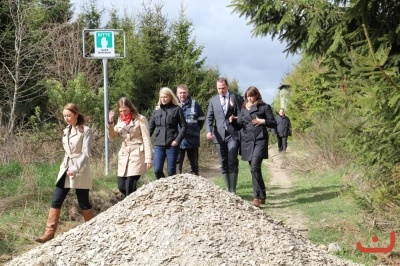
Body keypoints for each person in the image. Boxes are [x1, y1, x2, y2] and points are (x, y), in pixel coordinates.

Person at [35, 103, 94, 243]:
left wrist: (76, 168)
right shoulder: (65, 130)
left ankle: (93, 229)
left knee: (83, 202)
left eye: (69, 115)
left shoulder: (86, 130)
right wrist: (68, 167)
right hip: (66, 168)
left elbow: (86, 154)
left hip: (80, 168)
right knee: (56, 199)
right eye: (64, 116)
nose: (66, 118)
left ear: (76, 114)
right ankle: (49, 233)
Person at [230, 86, 277, 207]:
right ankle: (262, 196)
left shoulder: (264, 107)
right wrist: (233, 121)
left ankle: (256, 197)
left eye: (251, 96)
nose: (249, 98)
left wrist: (263, 121)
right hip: (247, 142)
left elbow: (274, 123)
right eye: (247, 96)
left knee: (254, 167)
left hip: (260, 140)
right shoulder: (243, 109)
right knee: (254, 169)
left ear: (256, 95)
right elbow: (239, 125)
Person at [108, 97, 153, 196]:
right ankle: (138, 199)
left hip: (137, 154)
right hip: (124, 154)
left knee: (130, 184)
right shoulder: (120, 121)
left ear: (131, 108)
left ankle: (132, 208)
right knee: (122, 187)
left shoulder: (140, 119)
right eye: (121, 111)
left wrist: (149, 158)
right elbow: (112, 136)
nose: (123, 113)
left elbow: (146, 139)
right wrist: (111, 123)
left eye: (125, 110)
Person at [206, 77, 244, 193]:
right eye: (219, 88)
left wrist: (235, 118)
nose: (221, 91)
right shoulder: (213, 101)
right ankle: (227, 189)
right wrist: (208, 131)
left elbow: (242, 115)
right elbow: (209, 118)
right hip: (219, 135)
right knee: (223, 161)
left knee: (232, 159)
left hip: (233, 134)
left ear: (227, 87)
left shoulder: (235, 97)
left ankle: (233, 190)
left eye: (223, 88)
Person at [149, 87, 187, 179]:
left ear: (170, 97)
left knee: (171, 171)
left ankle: (172, 190)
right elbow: (150, 128)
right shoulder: (156, 110)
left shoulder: (177, 109)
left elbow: (184, 127)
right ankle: (163, 185)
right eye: (161, 97)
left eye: (165, 97)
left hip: (172, 144)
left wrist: (177, 140)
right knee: (157, 170)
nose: (163, 99)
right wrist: (145, 141)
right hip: (158, 144)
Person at [176, 84, 205, 176]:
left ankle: (196, 185)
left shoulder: (195, 104)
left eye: (184, 93)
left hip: (193, 139)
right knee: (177, 164)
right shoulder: (174, 105)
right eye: (180, 93)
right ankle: (177, 184)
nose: (182, 95)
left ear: (187, 93)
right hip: (178, 140)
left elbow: (201, 119)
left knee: (194, 165)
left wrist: (196, 130)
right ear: (177, 94)